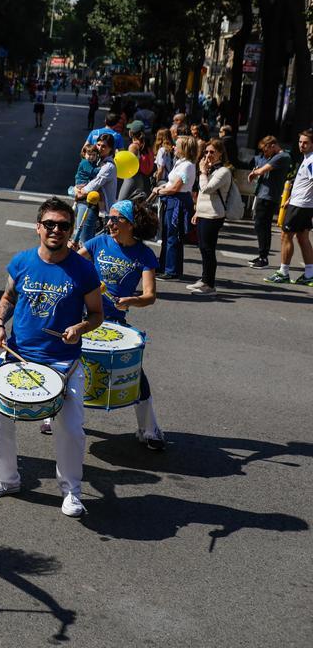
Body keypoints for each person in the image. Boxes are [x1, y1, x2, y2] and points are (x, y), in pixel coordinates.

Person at [0, 198, 104, 517]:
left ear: (70, 230)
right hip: (19, 358)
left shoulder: (84, 269)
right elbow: (8, 297)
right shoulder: (22, 262)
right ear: (38, 227)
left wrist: (80, 326)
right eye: (49, 224)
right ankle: (7, 479)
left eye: (63, 225)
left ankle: (72, 491)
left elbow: (96, 314)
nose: (56, 230)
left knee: (72, 429)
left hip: (64, 362)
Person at [76, 198, 165, 450]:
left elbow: (150, 296)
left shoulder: (144, 255)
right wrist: (69, 253)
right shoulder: (97, 243)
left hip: (114, 322)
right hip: (84, 316)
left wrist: (131, 301)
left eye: (117, 219)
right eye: (110, 218)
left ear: (131, 224)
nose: (110, 222)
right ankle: (56, 418)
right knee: (69, 364)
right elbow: (71, 264)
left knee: (135, 373)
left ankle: (150, 430)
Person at [264, 129, 313, 285]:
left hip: (301, 205)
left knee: (286, 235)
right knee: (302, 237)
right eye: (300, 142)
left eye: (305, 142)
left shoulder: (311, 161)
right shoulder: (307, 158)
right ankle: (310, 274)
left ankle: (283, 272)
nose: (302, 145)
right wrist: (290, 198)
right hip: (299, 202)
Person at [188, 139, 234, 295]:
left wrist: (202, 172)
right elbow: (202, 195)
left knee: (208, 249)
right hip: (203, 213)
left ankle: (210, 285)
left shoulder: (223, 172)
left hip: (214, 216)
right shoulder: (210, 170)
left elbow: (206, 189)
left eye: (212, 152)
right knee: (202, 248)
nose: (208, 155)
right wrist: (197, 211)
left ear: (220, 153)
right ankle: (204, 279)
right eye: (206, 152)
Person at [153, 135, 198, 280]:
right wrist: (163, 188)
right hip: (173, 200)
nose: (173, 147)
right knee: (167, 235)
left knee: (173, 236)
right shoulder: (180, 163)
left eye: (176, 145)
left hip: (178, 201)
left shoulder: (187, 166)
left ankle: (171, 271)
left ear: (184, 148)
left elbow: (176, 188)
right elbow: (172, 184)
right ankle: (165, 266)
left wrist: (159, 190)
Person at [247, 136, 292, 268]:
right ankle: (262, 255)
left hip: (269, 197)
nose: (264, 153)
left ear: (273, 145)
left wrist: (255, 172)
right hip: (264, 195)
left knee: (263, 227)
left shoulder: (282, 157)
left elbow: (261, 170)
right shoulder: (273, 157)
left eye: (266, 150)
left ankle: (264, 257)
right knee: (260, 226)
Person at [74, 134, 117, 246]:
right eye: (98, 144)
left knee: (85, 241)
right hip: (87, 202)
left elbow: (96, 182)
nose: (99, 148)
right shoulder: (96, 160)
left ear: (111, 149)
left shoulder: (108, 166)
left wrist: (81, 192)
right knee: (82, 239)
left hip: (93, 206)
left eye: (104, 146)